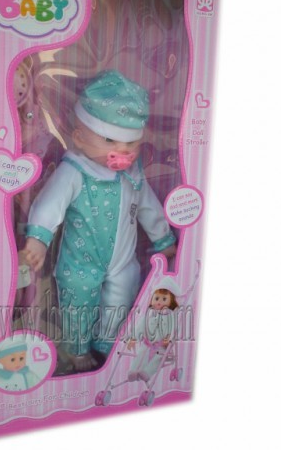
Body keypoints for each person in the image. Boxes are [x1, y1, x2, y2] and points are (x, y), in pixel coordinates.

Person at [24, 70, 176, 372]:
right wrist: (38, 240)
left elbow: (149, 207)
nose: (122, 151)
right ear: (80, 137)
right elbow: (50, 204)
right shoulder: (75, 170)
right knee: (77, 302)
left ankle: (109, 346)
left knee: (122, 296)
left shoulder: (132, 175)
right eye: (109, 139)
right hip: (80, 260)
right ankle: (77, 349)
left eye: (130, 144)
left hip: (123, 261)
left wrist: (163, 240)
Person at [127, 279, 180, 382]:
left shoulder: (171, 316)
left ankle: (146, 373)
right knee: (140, 355)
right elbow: (140, 326)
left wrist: (168, 338)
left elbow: (172, 328)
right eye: (156, 298)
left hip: (161, 345)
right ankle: (133, 371)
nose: (159, 301)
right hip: (147, 343)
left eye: (164, 299)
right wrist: (133, 338)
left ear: (171, 302)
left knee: (158, 359)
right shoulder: (149, 314)